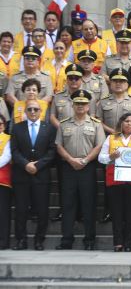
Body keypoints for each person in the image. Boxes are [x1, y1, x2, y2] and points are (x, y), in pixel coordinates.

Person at [55, 90, 105, 250]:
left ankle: (89, 240)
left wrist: (84, 160)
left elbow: (99, 146)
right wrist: (70, 160)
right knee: (67, 204)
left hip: (87, 168)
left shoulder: (95, 124)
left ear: (88, 105)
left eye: (83, 104)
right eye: (77, 103)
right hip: (68, 167)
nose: (80, 106)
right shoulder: (64, 124)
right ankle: (66, 239)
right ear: (72, 104)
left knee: (88, 204)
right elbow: (59, 145)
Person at [98, 113, 131, 252]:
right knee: (117, 213)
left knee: (130, 213)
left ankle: (128, 243)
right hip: (115, 180)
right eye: (126, 121)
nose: (129, 124)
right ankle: (118, 242)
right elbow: (101, 158)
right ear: (121, 123)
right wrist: (110, 156)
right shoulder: (111, 138)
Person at [10, 100, 57, 251]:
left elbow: (52, 152)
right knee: (21, 210)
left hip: (41, 175)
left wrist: (37, 165)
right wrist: (25, 164)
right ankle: (21, 241)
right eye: (29, 109)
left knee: (42, 209)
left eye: (35, 109)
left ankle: (39, 241)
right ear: (25, 111)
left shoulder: (49, 129)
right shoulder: (17, 128)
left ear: (41, 111)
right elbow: (14, 151)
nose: (32, 112)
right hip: (21, 175)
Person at [96, 68, 131, 134]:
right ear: (110, 83)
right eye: (115, 81)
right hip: (108, 138)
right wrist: (113, 132)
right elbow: (99, 121)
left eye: (121, 81)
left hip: (129, 138)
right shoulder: (103, 101)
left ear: (127, 84)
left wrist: (126, 131)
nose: (118, 84)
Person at [0, 114, 11, 250]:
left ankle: (3, 241)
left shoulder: (8, 138)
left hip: (2, 180)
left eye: (0, 124)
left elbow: (6, 157)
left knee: (2, 212)